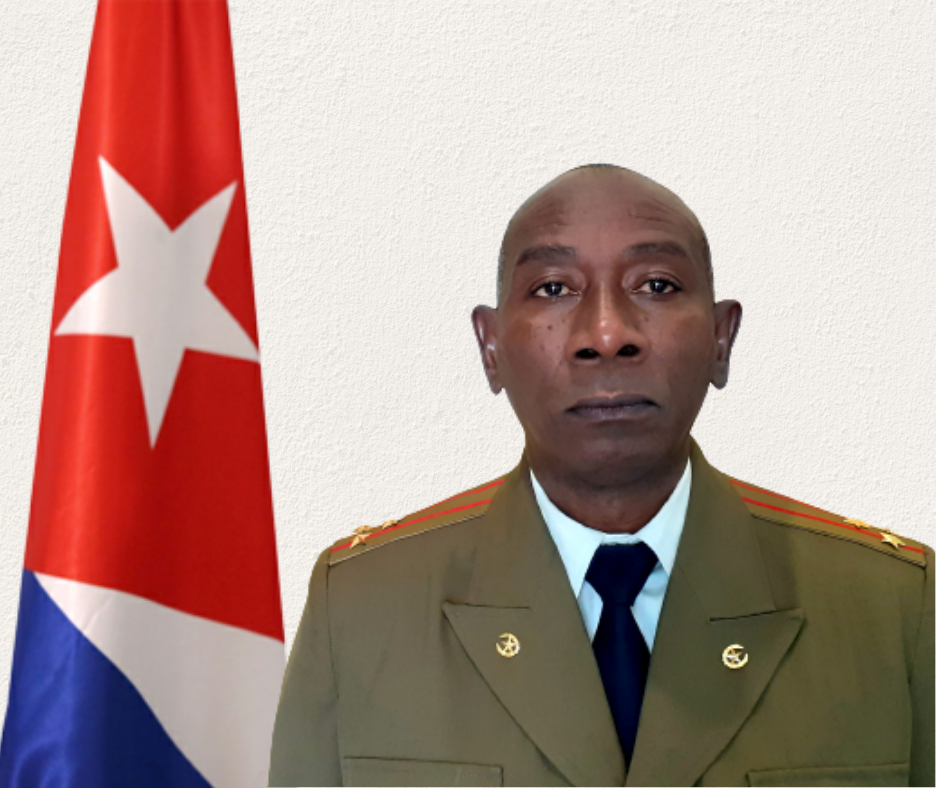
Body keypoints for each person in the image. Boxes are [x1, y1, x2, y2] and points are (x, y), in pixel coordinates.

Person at [268, 165, 934, 787]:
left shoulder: (891, 606)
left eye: (656, 285)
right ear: (490, 347)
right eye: (553, 289)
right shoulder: (362, 608)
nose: (608, 333)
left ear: (721, 338)